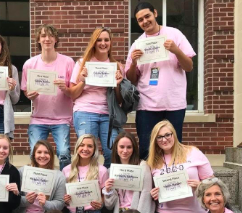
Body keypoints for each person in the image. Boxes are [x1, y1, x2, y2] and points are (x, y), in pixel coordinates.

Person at [126, 2, 196, 159]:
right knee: (146, 149)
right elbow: (131, 79)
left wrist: (176, 50)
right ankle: (151, 183)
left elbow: (189, 66)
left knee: (174, 149)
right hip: (147, 104)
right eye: (140, 20)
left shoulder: (174, 34)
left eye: (147, 16)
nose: (145, 21)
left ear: (155, 14)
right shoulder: (138, 44)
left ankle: (172, 182)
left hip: (173, 103)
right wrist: (133, 62)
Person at [147, 120, 214, 213]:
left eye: (167, 135)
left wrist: (201, 185)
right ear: (155, 140)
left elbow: (213, 182)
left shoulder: (192, 152)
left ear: (174, 134)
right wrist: (154, 193)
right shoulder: (153, 160)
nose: (164, 139)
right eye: (159, 137)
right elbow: (150, 190)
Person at [21, 24, 75, 171]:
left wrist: (65, 88)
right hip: (38, 118)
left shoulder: (68, 62)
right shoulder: (30, 64)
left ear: (56, 39)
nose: (47, 39)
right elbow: (26, 91)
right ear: (38, 39)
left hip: (62, 118)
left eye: (51, 36)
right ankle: (38, 185)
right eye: (44, 36)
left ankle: (64, 184)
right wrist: (29, 95)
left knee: (64, 153)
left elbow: (75, 92)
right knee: (35, 153)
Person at [69, 27, 124, 168]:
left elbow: (120, 100)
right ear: (94, 42)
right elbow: (73, 94)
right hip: (85, 111)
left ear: (111, 42)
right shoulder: (82, 63)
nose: (103, 43)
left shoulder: (116, 66)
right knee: (86, 153)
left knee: (112, 153)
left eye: (106, 40)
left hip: (108, 114)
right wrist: (82, 80)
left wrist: (118, 84)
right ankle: (88, 188)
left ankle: (107, 187)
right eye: (99, 40)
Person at [103, 131, 155, 213]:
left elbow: (146, 198)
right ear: (116, 149)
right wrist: (108, 190)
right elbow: (109, 205)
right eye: (121, 147)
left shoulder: (142, 167)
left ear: (134, 149)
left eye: (129, 147)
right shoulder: (111, 171)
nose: (125, 151)